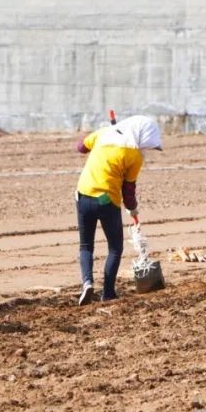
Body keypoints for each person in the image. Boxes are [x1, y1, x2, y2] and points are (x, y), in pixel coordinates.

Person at [75, 115, 163, 304]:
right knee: (115, 248)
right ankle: (108, 293)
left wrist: (99, 136)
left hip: (82, 195)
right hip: (107, 201)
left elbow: (81, 147)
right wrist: (132, 208)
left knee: (86, 245)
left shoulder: (103, 133)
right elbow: (128, 189)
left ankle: (87, 283)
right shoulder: (134, 156)